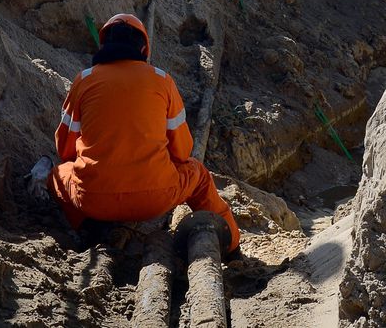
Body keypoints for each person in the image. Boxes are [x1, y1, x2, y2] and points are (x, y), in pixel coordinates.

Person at [37, 13, 240, 254]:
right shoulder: (162, 81)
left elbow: (65, 149)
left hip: (93, 200)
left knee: (57, 174)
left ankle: (88, 226)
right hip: (156, 198)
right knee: (199, 175)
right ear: (144, 47)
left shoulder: (84, 81)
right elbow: (183, 151)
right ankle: (231, 246)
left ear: (104, 45)